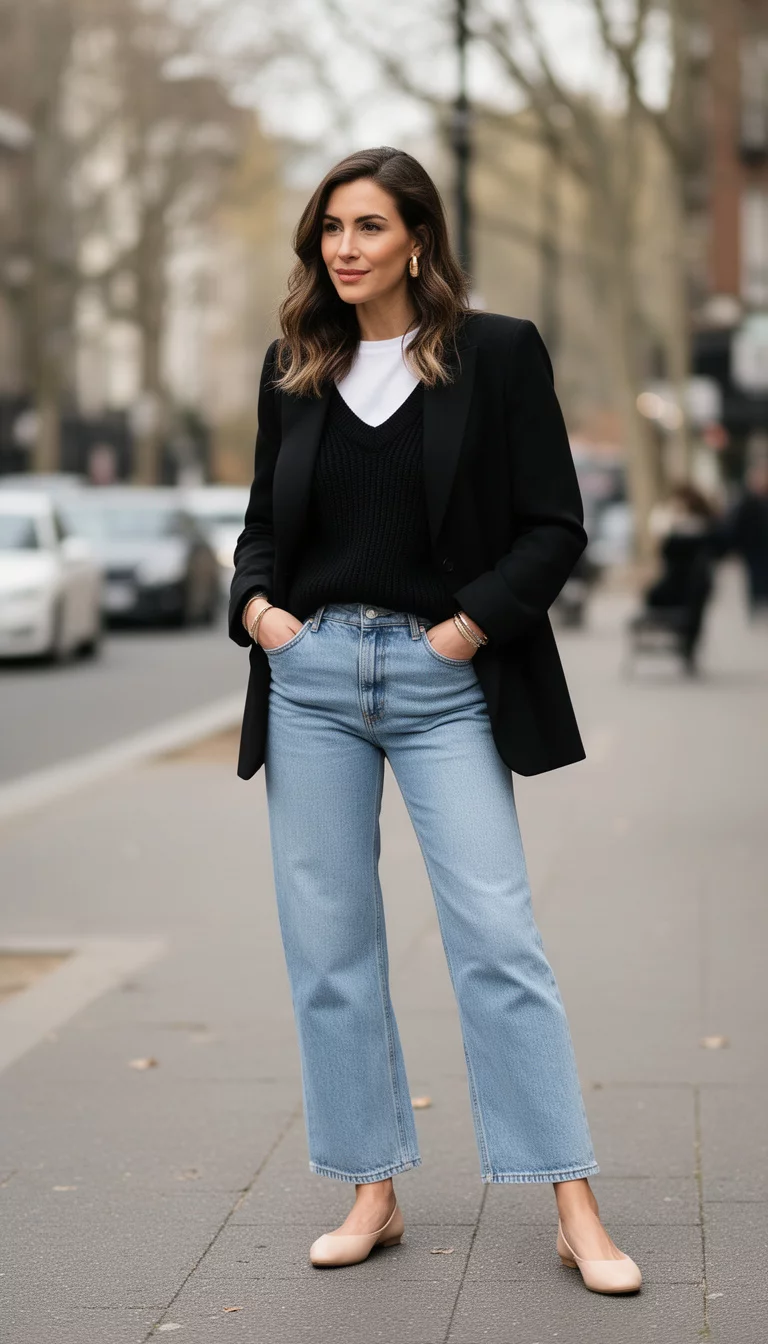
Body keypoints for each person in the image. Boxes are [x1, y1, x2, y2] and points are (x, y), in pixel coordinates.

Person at [228, 146, 642, 1295]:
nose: (344, 248)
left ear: (418, 238)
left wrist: (464, 631)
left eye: (368, 226)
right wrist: (259, 613)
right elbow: (262, 525)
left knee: (497, 937)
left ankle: (572, 1201)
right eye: (330, 228)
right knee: (330, 948)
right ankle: (371, 1188)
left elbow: (554, 528)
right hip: (311, 680)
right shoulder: (294, 364)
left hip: (443, 679)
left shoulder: (495, 355)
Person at [639, 483, 718, 672]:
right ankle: (685, 647)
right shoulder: (689, 524)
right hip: (687, 582)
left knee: (691, 617)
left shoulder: (694, 526)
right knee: (691, 617)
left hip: (691, 582)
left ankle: (686, 648)